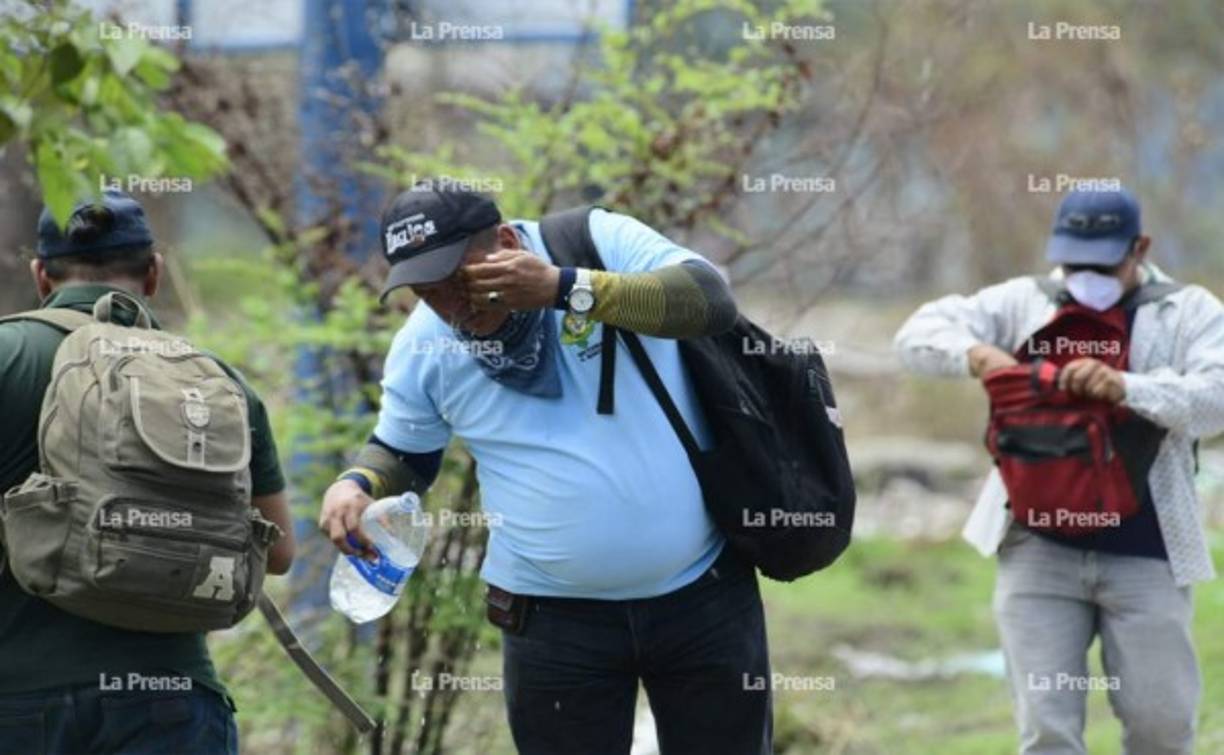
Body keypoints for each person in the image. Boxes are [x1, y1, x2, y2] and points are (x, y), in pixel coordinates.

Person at [318, 184, 772, 754]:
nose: (452, 307)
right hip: (553, 627)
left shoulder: (594, 243)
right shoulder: (424, 347)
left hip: (702, 597)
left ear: (507, 244)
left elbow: (708, 301)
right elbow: (405, 452)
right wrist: (358, 483)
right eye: (428, 294)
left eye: (459, 282)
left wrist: (566, 289)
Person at [894, 187, 1224, 755]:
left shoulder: (1188, 311)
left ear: (1139, 248)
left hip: (1148, 553)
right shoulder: (1025, 301)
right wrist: (975, 354)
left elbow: (1216, 398)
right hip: (1036, 550)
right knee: (1047, 732)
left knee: (1162, 727)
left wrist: (1126, 387)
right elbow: (915, 336)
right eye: (1075, 263)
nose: (1085, 277)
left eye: (1103, 264)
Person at [0, 189, 295, 755]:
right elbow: (278, 552)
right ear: (155, 273)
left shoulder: (9, 352)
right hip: (173, 703)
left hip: (19, 698)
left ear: (41, 276)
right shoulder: (216, 382)